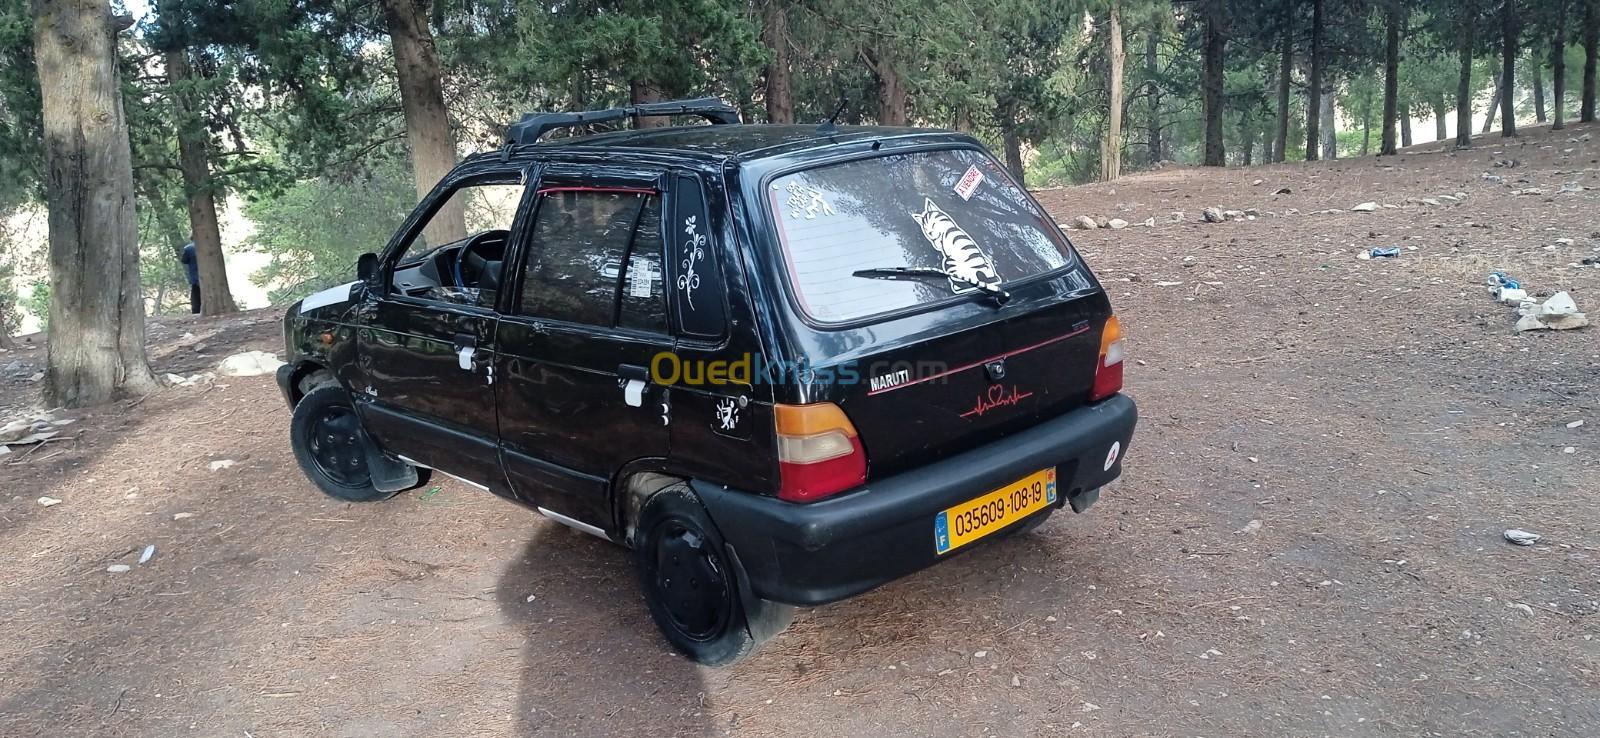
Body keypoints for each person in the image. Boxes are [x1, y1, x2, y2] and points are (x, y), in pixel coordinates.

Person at [179, 240, 200, 314]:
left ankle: (196, 312)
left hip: (195, 276)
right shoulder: (210, 245)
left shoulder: (188, 248)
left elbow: (184, 260)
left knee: (196, 297)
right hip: (209, 277)